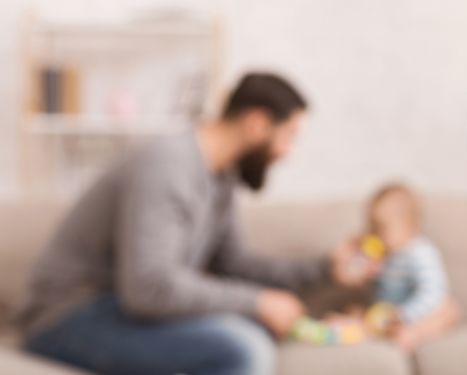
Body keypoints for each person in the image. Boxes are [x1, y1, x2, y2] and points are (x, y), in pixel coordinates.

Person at [17, 73, 359, 375]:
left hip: (122, 308)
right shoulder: (169, 166)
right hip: (70, 316)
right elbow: (149, 288)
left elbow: (236, 265)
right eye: (289, 136)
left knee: (256, 329)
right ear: (256, 123)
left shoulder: (220, 177)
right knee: (242, 348)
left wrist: (325, 269)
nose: (289, 152)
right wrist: (259, 302)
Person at [329, 184, 459, 351]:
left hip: (413, 313)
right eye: (371, 227)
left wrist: (404, 314)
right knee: (355, 306)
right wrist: (359, 266)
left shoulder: (420, 252)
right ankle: (357, 327)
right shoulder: (380, 255)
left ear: (409, 225)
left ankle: (414, 334)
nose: (373, 234)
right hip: (383, 313)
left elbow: (432, 292)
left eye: (380, 228)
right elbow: (361, 284)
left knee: (449, 309)